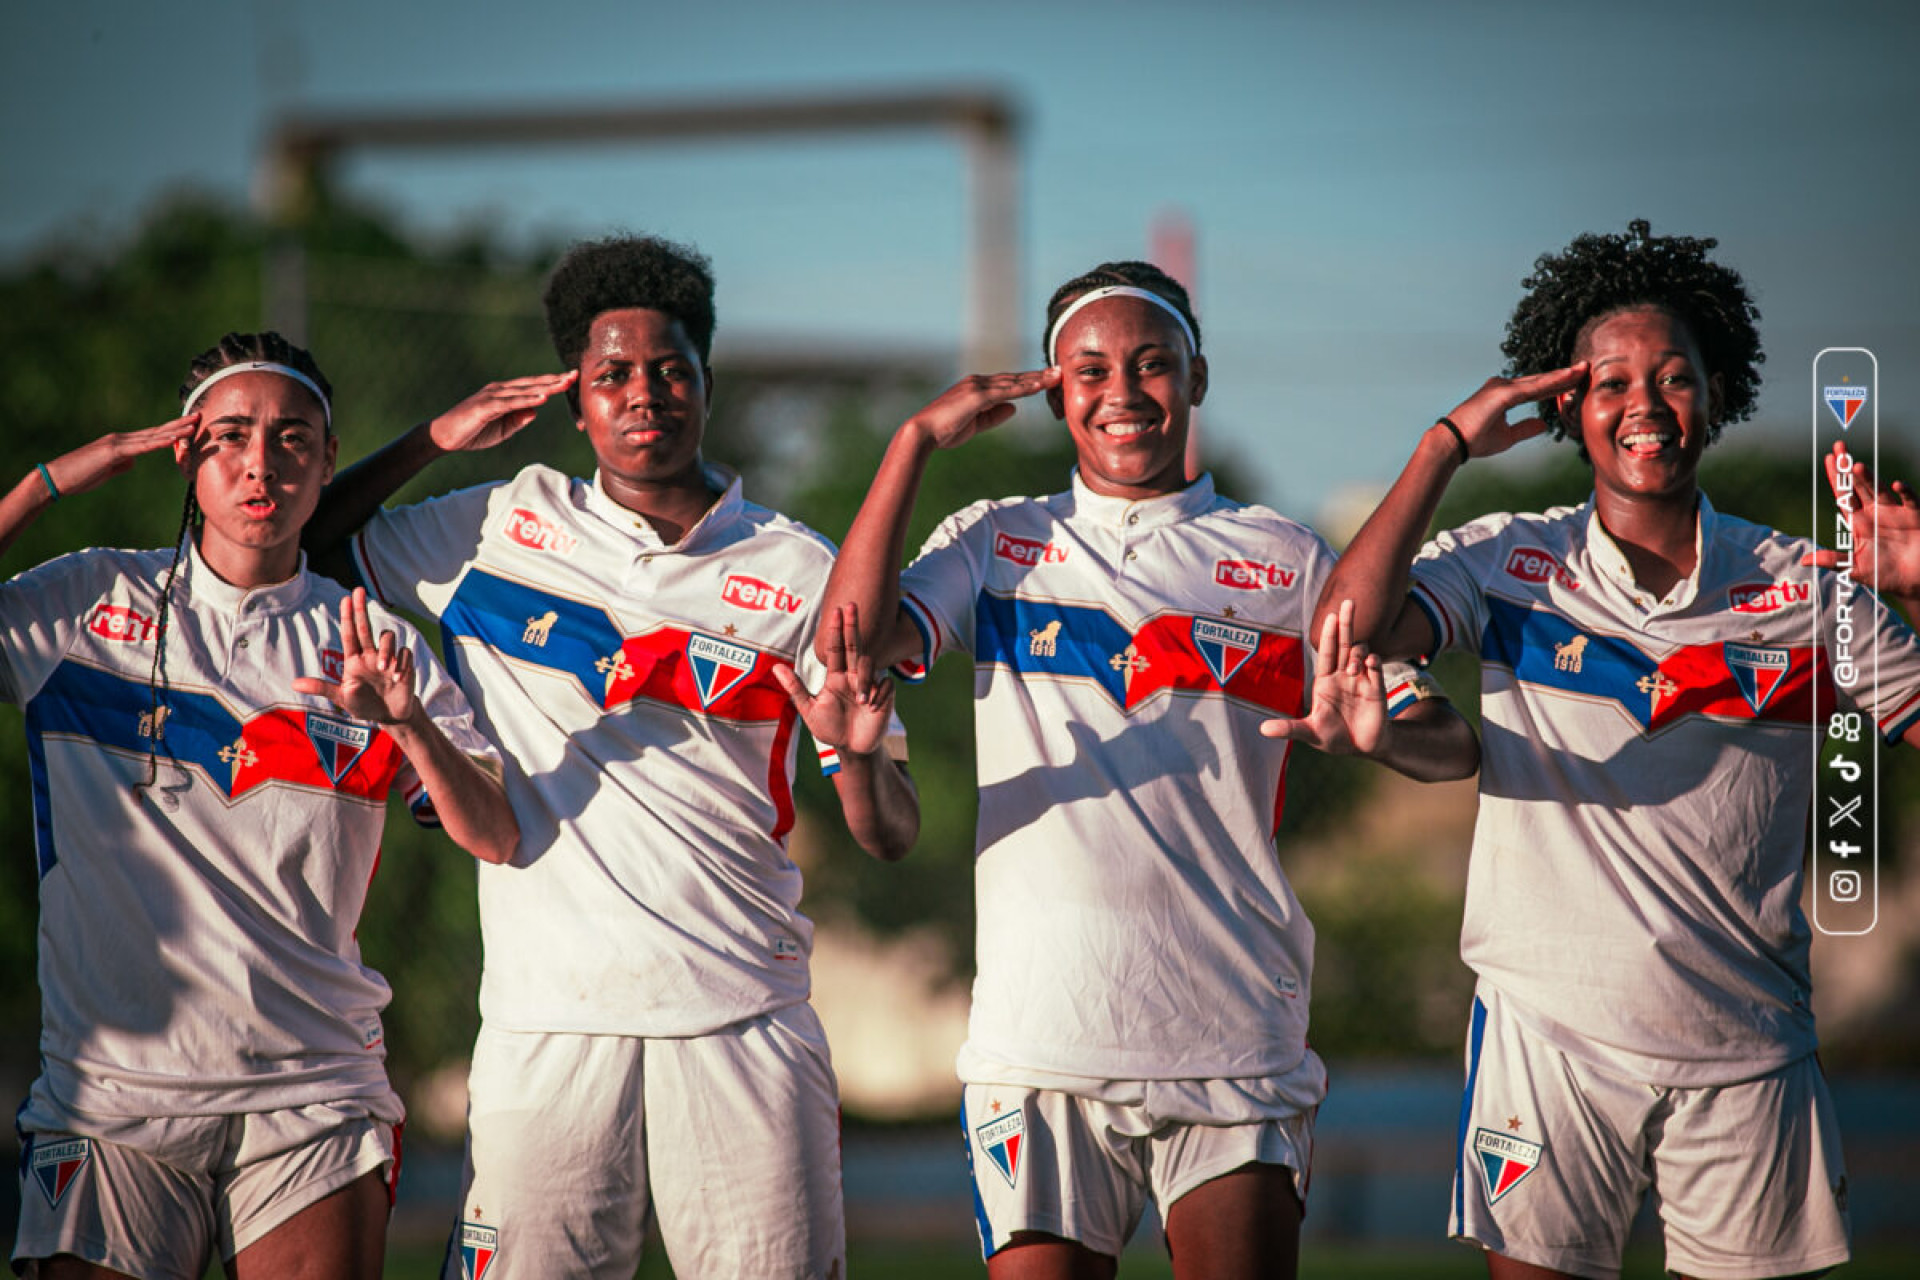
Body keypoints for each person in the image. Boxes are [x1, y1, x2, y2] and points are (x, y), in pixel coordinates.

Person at [817, 260, 1481, 1279]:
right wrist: (913, 441)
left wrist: (1380, 733)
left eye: (1152, 363)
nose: (1123, 392)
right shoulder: (998, 543)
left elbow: (1448, 740)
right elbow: (850, 644)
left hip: (1233, 1036)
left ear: (1198, 378)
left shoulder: (1288, 558)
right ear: (1053, 389)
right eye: (1090, 370)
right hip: (1038, 1043)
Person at [301, 234, 919, 1279]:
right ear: (576, 400)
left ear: (707, 385)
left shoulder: (798, 566)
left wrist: (857, 759)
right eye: (613, 374)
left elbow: (891, 829)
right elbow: (299, 546)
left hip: (743, 1019)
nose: (645, 393)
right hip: (548, 1025)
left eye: (671, 369)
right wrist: (433, 441)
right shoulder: (492, 525)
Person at [1314, 221, 1920, 1280]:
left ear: (1716, 396)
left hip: (1751, 1050)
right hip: (1548, 1039)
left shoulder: (1808, 585)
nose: (1644, 404)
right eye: (1610, 382)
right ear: (1568, 409)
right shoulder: (1510, 562)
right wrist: (1443, 445)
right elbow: (1348, 626)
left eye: (1675, 377)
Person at [1, 331, 517, 1280]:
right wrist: (53, 480)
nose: (260, 462)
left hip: (316, 1097)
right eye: (230, 435)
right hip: (106, 1100)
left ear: (327, 461)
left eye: (292, 438)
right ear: (185, 453)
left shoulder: (371, 640)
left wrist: (407, 723)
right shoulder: (81, 603)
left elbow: (496, 832)